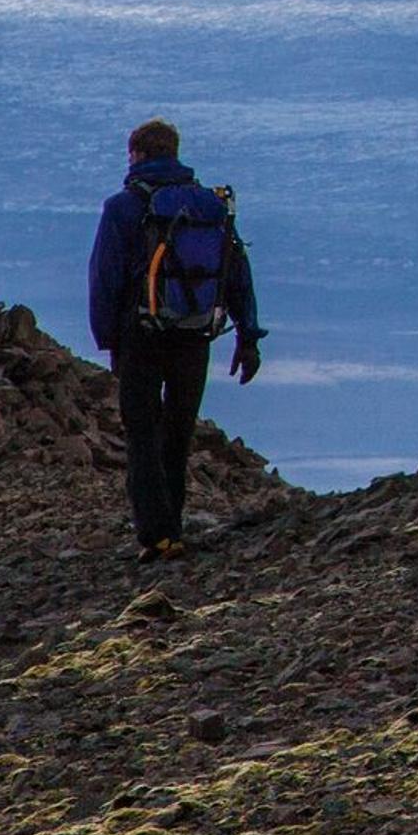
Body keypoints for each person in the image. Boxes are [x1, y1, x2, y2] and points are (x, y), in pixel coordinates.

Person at [86, 117, 261, 561]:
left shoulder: (123, 208)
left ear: (137, 155)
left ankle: (157, 535)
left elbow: (104, 279)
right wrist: (248, 335)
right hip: (195, 332)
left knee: (143, 433)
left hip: (140, 335)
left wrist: (110, 341)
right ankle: (174, 530)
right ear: (176, 153)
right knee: (179, 434)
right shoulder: (209, 207)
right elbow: (236, 271)